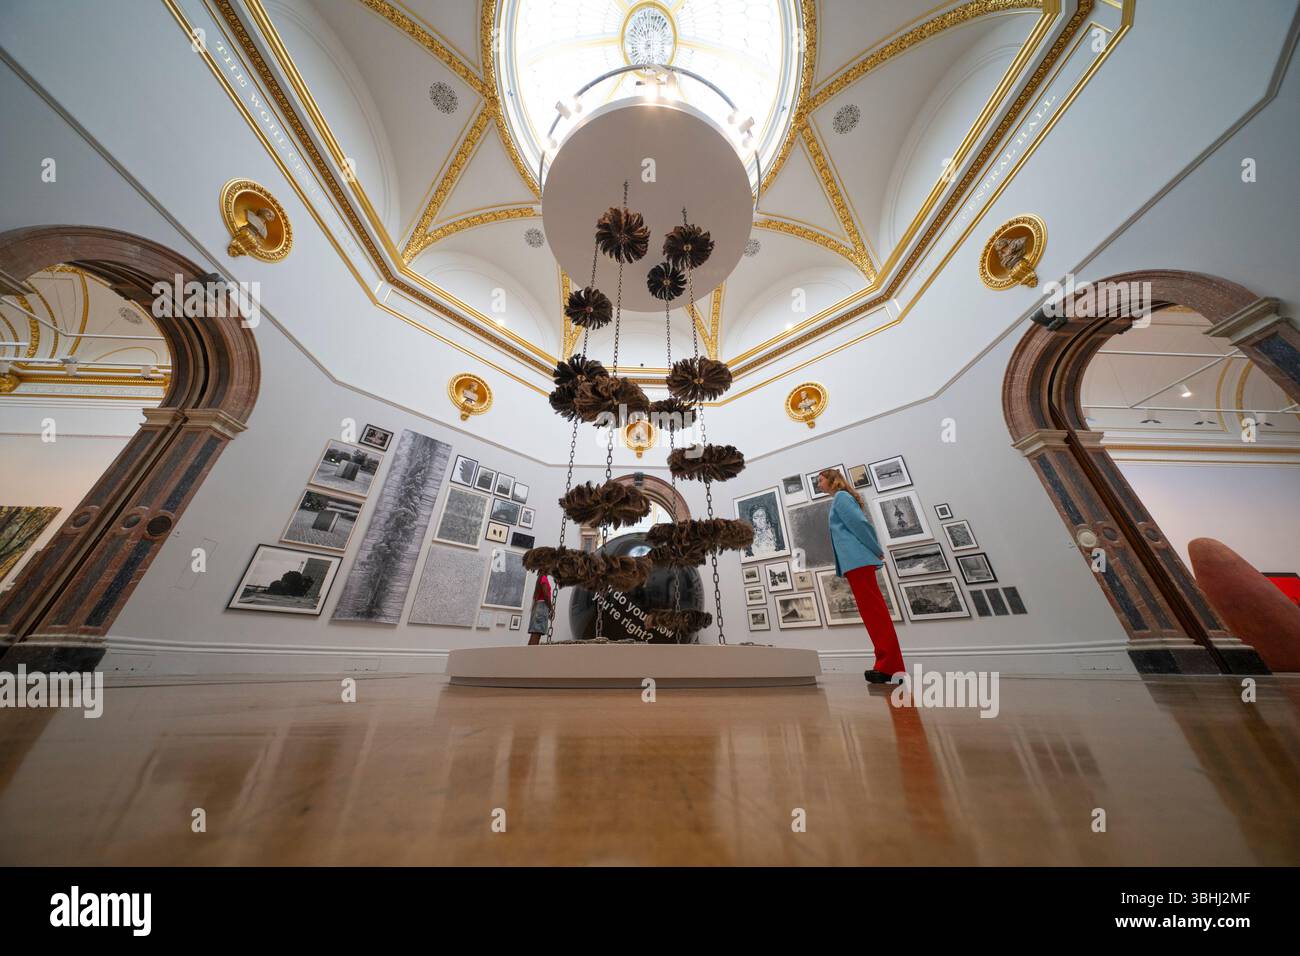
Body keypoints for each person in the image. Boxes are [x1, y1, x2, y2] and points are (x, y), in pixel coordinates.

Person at [818, 468, 905, 684]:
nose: (818, 484)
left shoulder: (841, 497)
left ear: (831, 480)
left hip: (858, 561)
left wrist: (875, 549)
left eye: (820, 480)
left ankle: (889, 666)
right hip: (855, 563)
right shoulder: (840, 498)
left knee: (874, 613)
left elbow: (860, 524)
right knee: (872, 613)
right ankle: (886, 664)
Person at [527, 572, 553, 645]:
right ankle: (532, 655)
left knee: (535, 634)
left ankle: (528, 655)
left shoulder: (541, 578)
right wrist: (551, 609)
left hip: (539, 607)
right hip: (541, 607)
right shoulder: (544, 578)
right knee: (537, 633)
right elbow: (546, 595)